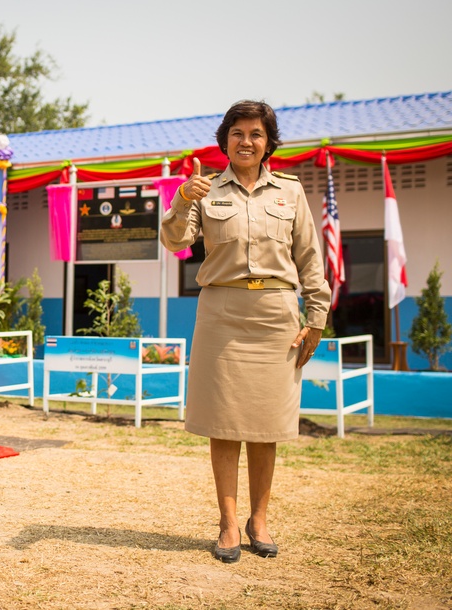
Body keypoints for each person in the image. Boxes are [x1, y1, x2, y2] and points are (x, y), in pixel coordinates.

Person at [159, 100, 330, 564]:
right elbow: (175, 241)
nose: (246, 141)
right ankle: (228, 523)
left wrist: (316, 317)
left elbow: (310, 258)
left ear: (268, 141)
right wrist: (182, 199)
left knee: (265, 422)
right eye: (237, 133)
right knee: (223, 422)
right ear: (225, 141)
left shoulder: (291, 193)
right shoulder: (206, 190)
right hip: (221, 313)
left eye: (256, 133)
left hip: (276, 313)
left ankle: (260, 519)